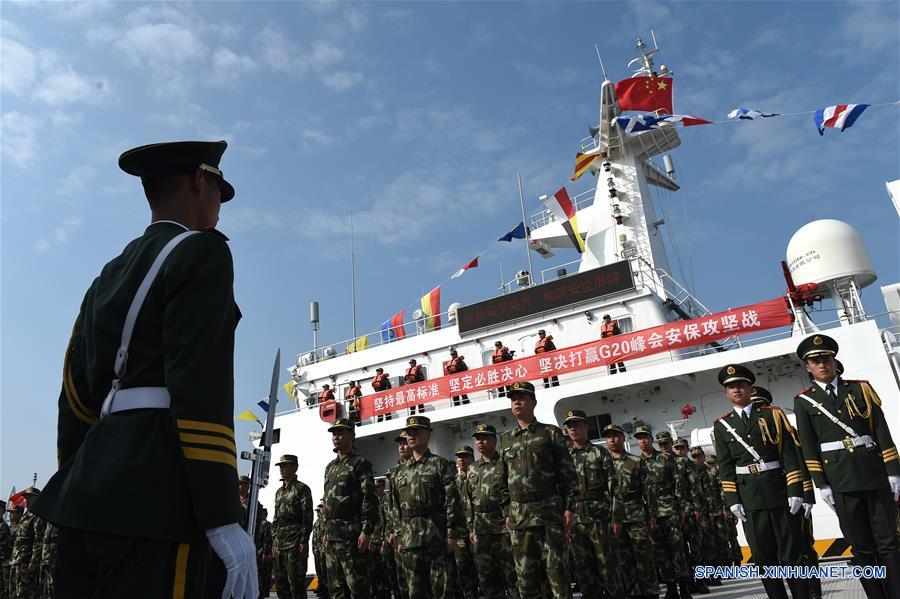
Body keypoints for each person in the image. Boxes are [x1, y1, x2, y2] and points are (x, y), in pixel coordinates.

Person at [31, 140, 256, 599]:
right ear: (199, 180)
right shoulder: (202, 252)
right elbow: (199, 388)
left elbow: (73, 394)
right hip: (158, 495)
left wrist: (85, 474)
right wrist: (220, 516)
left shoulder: (108, 275)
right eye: (219, 189)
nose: (220, 204)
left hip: (85, 495)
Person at [792, 334, 900, 598]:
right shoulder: (804, 401)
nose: (822, 364)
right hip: (841, 481)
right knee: (861, 546)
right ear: (808, 367)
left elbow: (881, 431)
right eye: (815, 361)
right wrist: (821, 484)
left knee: (889, 543)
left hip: (874, 475)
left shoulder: (860, 389)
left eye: (826, 359)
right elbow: (809, 446)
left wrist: (893, 471)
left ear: (833, 360)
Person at [713, 364, 810, 599]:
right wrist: (732, 500)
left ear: (749, 388)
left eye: (741, 385)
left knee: (793, 555)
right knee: (764, 558)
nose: (736, 390)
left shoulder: (771, 414)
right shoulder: (722, 425)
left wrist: (795, 489)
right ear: (726, 393)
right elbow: (725, 467)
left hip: (779, 494)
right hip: (750, 500)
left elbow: (789, 454)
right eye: (731, 387)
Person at [500, 381, 577, 598]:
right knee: (526, 580)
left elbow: (567, 474)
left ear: (533, 402)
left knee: (558, 576)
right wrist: (507, 511)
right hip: (520, 518)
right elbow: (502, 479)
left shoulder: (550, 433)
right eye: (513, 398)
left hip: (548, 515)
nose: (516, 402)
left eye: (522, 397)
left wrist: (570, 508)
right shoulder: (505, 439)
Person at [390, 416, 466, 598]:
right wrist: (398, 536)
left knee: (442, 591)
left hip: (436, 538)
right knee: (415, 592)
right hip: (409, 541)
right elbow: (394, 507)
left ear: (428, 434)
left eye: (417, 431)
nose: (412, 435)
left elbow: (452, 501)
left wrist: (452, 533)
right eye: (409, 432)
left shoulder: (439, 465)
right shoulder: (399, 472)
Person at [564, 410, 624, 599]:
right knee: (583, 567)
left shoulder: (600, 452)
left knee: (607, 564)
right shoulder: (564, 457)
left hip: (600, 517)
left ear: (585, 426)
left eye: (577, 424)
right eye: (569, 425)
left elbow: (614, 487)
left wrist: (616, 517)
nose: (573, 428)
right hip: (576, 520)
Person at [322, 417, 377, 599]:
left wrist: (366, 531)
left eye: (341, 432)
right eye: (334, 433)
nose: (336, 436)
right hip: (331, 534)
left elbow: (368, 498)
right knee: (335, 588)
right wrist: (324, 532)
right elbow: (327, 503)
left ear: (352, 436)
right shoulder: (330, 467)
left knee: (357, 585)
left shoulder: (360, 463)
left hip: (351, 533)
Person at [603, 424, 659, 599]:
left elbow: (648, 490)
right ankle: (633, 592)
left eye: (616, 436)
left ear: (622, 438)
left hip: (635, 515)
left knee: (644, 556)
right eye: (609, 436)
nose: (612, 440)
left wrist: (652, 515)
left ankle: (651, 592)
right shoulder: (603, 464)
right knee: (623, 559)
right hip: (615, 518)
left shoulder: (636, 461)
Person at [636, 426, 691, 599]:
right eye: (639, 438)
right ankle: (671, 588)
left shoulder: (665, 458)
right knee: (660, 552)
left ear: (651, 439)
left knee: (677, 549)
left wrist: (681, 507)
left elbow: (678, 484)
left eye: (645, 437)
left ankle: (685, 588)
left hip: (669, 509)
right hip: (650, 514)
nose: (642, 441)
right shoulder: (635, 463)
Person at [465, 424, 519, 599]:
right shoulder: (472, 468)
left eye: (485, 437)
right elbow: (468, 500)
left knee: (511, 573)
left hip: (502, 526)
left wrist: (511, 517)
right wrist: (471, 527)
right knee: (487, 576)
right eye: (478, 438)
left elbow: (512, 492)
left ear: (494, 440)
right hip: (481, 529)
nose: (481, 441)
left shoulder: (504, 463)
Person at [671, 437, 710, 595]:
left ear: (687, 449)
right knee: (680, 550)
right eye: (677, 448)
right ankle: (687, 583)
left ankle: (700, 581)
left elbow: (695, 487)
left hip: (690, 510)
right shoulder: (669, 462)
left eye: (682, 448)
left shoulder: (688, 464)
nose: (680, 450)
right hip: (675, 511)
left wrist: (697, 508)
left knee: (696, 548)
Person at [273, 454, 314, 599]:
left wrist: (304, 540)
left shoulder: (302, 489)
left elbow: (307, 517)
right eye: (281, 466)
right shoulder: (279, 492)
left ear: (295, 467)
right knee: (281, 584)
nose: (282, 469)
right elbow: (276, 518)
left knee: (296, 585)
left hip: (295, 542)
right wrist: (274, 541)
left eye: (285, 465)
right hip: (280, 543)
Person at [452, 445, 478, 599]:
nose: (461, 459)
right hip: (461, 533)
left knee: (482, 569)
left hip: (478, 529)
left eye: (465, 456)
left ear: (471, 459)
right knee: (463, 571)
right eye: (459, 456)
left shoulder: (478, 477)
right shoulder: (453, 482)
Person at [9, 487, 45, 599]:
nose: (26, 500)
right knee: (14, 592)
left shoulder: (38, 515)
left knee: (25, 593)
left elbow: (38, 539)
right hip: (17, 560)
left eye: (30, 497)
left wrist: (34, 561)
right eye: (26, 498)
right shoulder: (26, 516)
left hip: (26, 561)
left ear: (38, 498)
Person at [311, 504, 329, 599]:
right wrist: (315, 547)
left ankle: (326, 589)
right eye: (317, 511)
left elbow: (324, 535)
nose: (318, 512)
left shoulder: (325, 521)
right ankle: (322, 586)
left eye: (320, 510)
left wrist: (321, 547)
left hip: (323, 548)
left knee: (325, 570)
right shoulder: (317, 522)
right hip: (317, 548)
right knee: (319, 569)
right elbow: (315, 537)